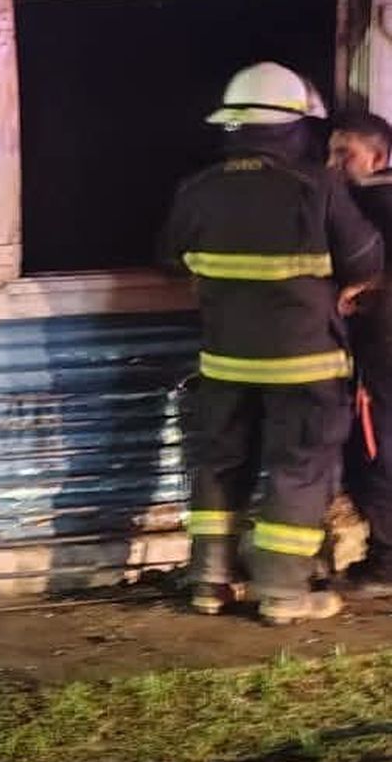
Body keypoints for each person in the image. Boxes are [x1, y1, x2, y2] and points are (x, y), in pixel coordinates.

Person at [159, 62, 382, 624]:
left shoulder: (199, 188)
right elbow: (366, 261)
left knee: (220, 463)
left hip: (226, 361)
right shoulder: (318, 186)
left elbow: (169, 258)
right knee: (299, 469)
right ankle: (283, 593)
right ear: (295, 127)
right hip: (305, 366)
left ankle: (209, 581)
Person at [327, 107, 392, 594]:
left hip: (383, 355)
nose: (332, 164)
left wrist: (368, 292)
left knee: (378, 452)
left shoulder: (376, 205)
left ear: (377, 156)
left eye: (343, 154)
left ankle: (386, 564)